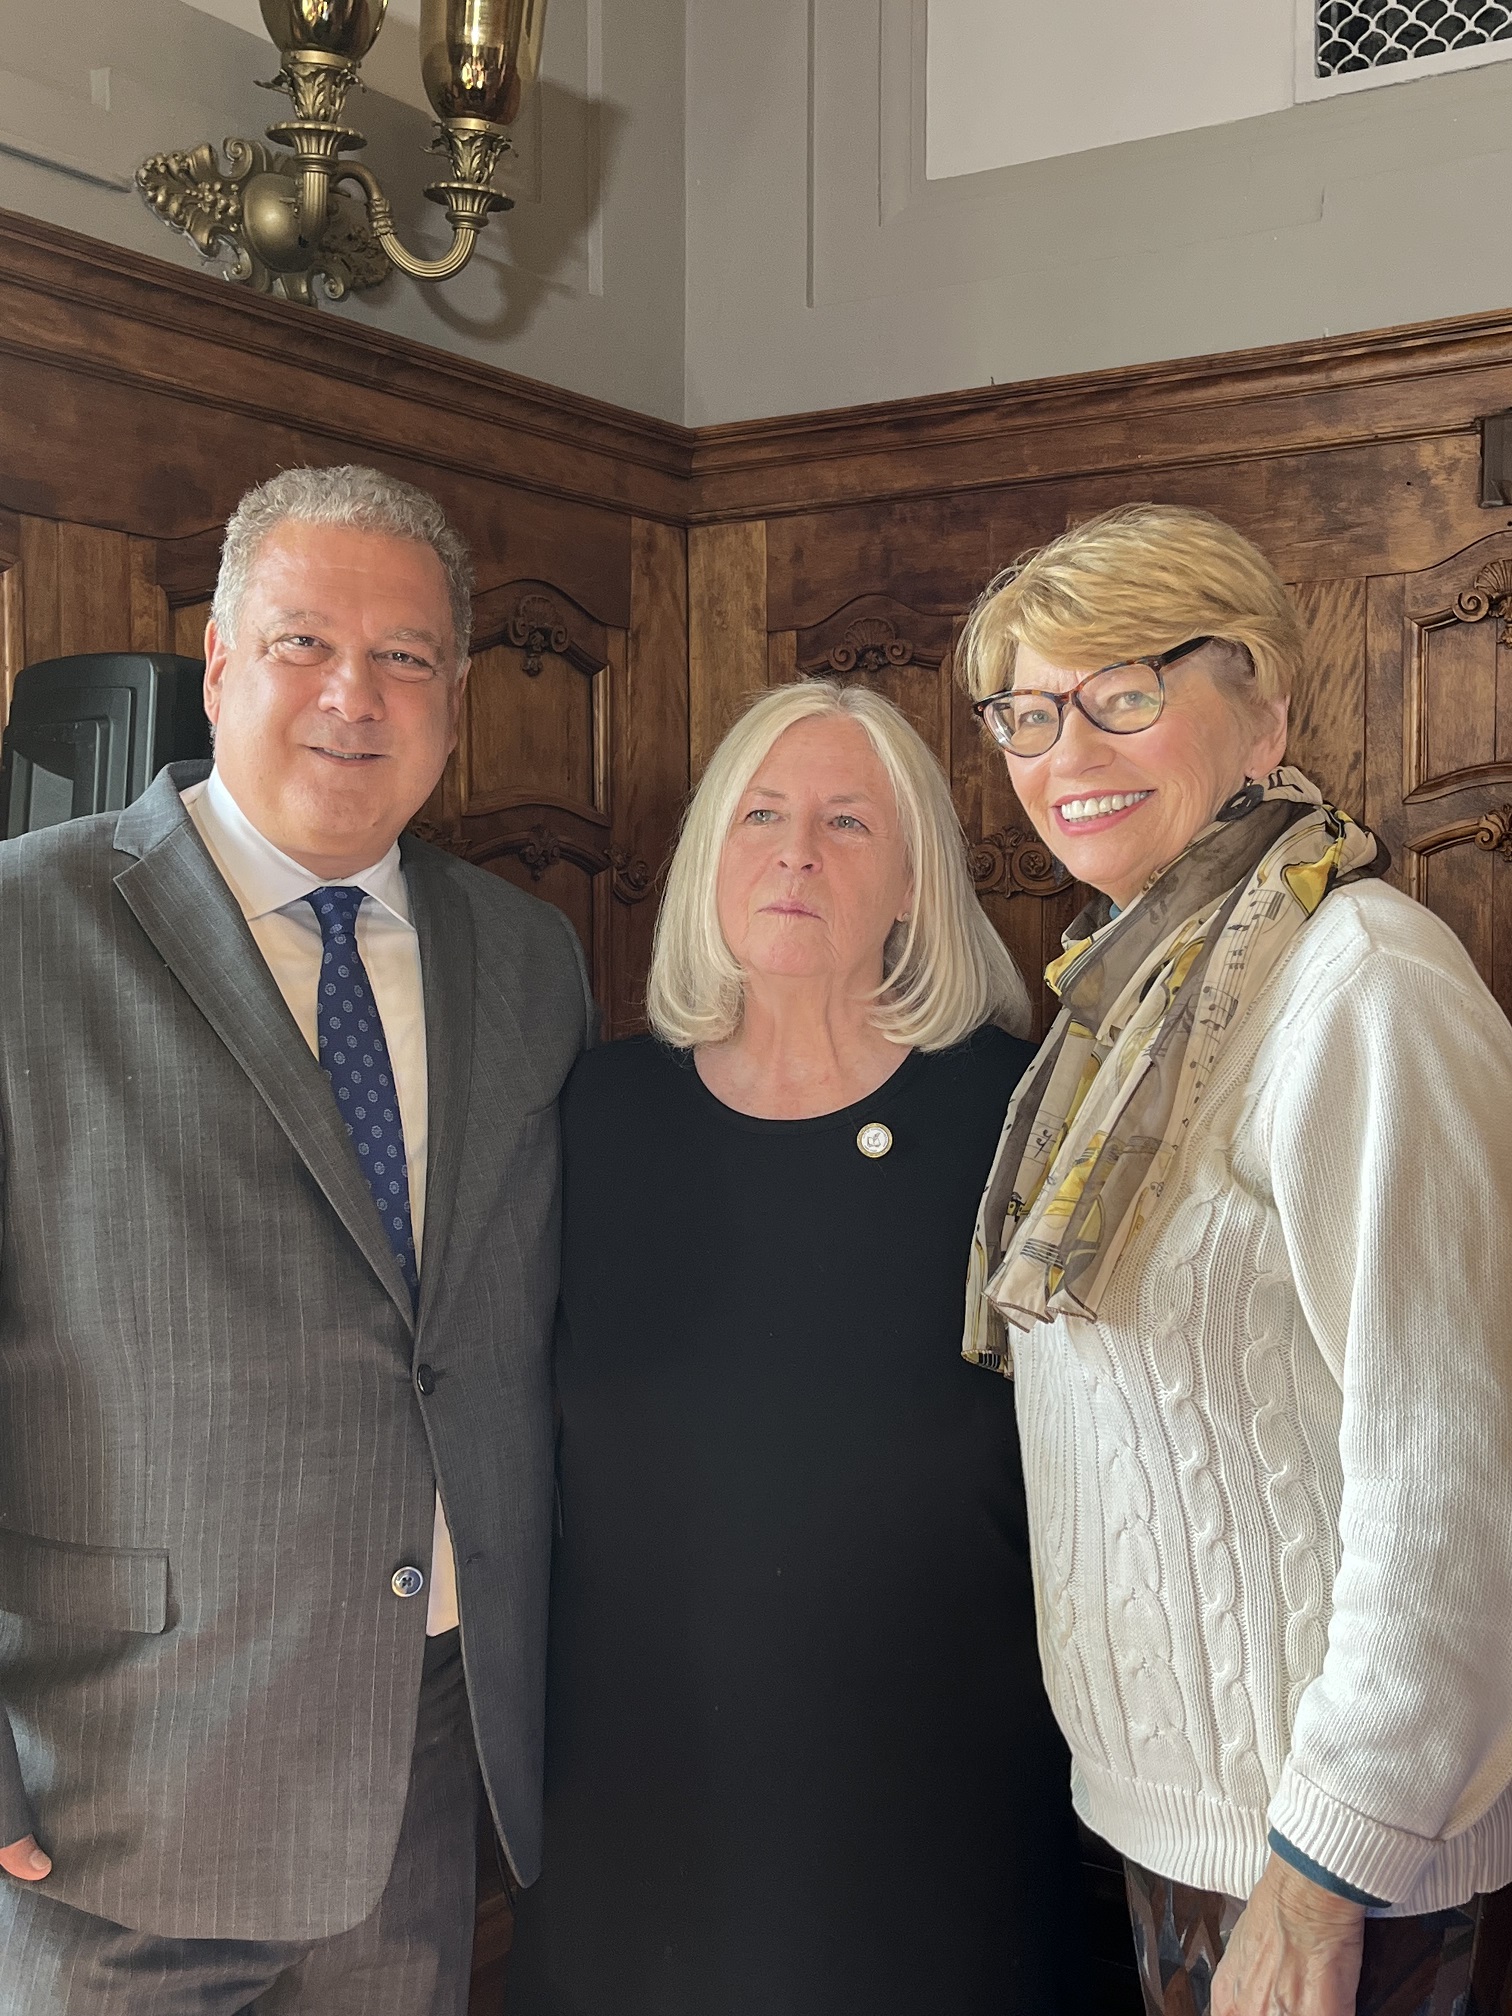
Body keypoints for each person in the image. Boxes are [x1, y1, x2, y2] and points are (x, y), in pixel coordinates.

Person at [0, 465, 594, 2012]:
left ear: (455, 695)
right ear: (215, 663)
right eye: (303, 644)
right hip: (111, 1798)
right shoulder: (20, 932)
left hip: (424, 1777)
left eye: (404, 658)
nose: (355, 696)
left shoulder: (531, 960)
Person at [959, 502, 1512, 2016]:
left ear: (1262, 707)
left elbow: (1456, 1470)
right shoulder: (1129, 991)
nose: (1064, 753)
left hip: (1340, 1867)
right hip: (1183, 1826)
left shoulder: (1363, 986)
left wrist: (1324, 1875)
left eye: (1123, 691)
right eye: (1025, 711)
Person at [505, 679, 1093, 2016]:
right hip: (638, 1800)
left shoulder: (1015, 1116)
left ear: (913, 885)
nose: (795, 851)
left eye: (847, 822)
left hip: (934, 1809)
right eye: (760, 814)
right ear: (712, 857)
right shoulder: (599, 1113)